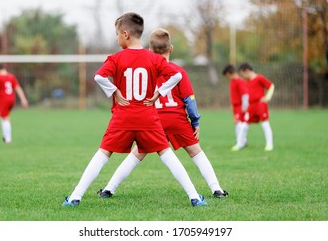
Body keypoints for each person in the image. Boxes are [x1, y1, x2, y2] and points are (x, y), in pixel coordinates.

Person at [62, 13, 206, 207]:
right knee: (167, 154)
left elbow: (99, 77)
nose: (116, 38)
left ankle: (75, 197)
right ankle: (194, 197)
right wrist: (159, 92)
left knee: (103, 154)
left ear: (126, 34)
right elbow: (176, 76)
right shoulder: (153, 59)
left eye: (117, 34)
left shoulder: (115, 58)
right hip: (148, 118)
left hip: (123, 117)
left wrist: (114, 91)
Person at [98, 28, 228, 199]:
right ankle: (216, 189)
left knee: (136, 154)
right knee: (196, 152)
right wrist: (195, 121)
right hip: (176, 119)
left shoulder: (148, 68)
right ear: (171, 48)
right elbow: (189, 99)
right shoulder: (178, 71)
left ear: (150, 50)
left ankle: (109, 189)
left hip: (153, 120)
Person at [238, 62, 275, 151]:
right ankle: (240, 144)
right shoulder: (246, 81)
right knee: (244, 124)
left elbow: (271, 86)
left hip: (260, 105)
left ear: (246, 71)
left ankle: (269, 145)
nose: (242, 76)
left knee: (265, 124)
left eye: (242, 74)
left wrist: (267, 97)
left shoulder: (259, 78)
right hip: (251, 106)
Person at [0, 64, 28, 144]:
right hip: (12, 99)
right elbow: (17, 88)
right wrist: (23, 99)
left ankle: (8, 139)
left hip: (4, 100)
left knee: (5, 118)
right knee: (4, 116)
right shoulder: (11, 77)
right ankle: (5, 137)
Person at [222, 64, 249, 151]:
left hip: (240, 106)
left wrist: (244, 106)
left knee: (239, 124)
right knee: (238, 124)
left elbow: (245, 94)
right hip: (235, 106)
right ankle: (243, 141)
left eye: (227, 76)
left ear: (230, 73)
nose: (227, 78)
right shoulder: (232, 82)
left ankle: (240, 143)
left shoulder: (239, 81)